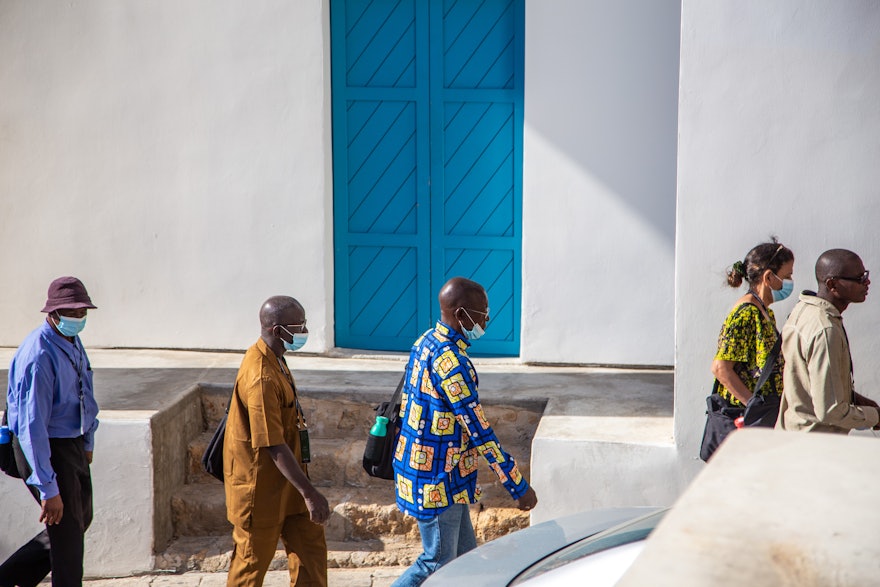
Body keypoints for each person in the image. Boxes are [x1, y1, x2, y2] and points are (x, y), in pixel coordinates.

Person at [391, 277, 538, 587]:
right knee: (436, 562)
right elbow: (479, 430)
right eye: (482, 312)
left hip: (438, 474)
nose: (486, 319)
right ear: (461, 315)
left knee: (465, 563)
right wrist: (516, 484)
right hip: (436, 481)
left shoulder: (426, 341)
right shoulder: (452, 364)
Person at [223, 296, 330, 587]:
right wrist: (310, 493)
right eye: (300, 325)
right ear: (277, 330)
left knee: (311, 553)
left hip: (289, 484)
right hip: (261, 490)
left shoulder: (276, 358)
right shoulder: (261, 376)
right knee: (250, 567)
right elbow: (271, 443)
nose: (305, 331)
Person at [0, 276, 100, 587]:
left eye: (82, 313)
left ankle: (8, 579)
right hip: (44, 446)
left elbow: (85, 391)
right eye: (71, 313)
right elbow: (32, 427)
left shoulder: (70, 340)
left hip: (69, 442)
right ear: (53, 314)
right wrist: (48, 488)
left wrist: (87, 439)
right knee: (67, 536)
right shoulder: (39, 356)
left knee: (78, 519)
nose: (78, 318)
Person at [777, 249, 880, 433]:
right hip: (815, 447)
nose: (867, 282)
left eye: (865, 275)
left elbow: (813, 387)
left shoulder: (804, 310)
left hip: (794, 440)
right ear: (832, 284)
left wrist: (860, 402)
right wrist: (874, 416)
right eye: (859, 278)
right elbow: (830, 411)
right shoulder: (825, 329)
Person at [711, 240, 795, 409]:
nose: (790, 281)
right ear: (769, 277)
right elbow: (721, 368)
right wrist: (753, 407)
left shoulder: (764, 312)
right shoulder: (746, 314)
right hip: (746, 419)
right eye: (787, 276)